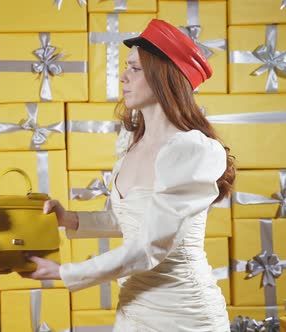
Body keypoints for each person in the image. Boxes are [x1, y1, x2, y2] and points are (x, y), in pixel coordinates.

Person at [21, 19, 235, 331]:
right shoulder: (132, 146)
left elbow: (151, 245)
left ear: (164, 76)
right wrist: (70, 219)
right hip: (134, 309)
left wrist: (64, 272)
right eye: (126, 67)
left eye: (134, 68)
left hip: (185, 316)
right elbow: (134, 221)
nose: (123, 77)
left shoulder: (192, 150)